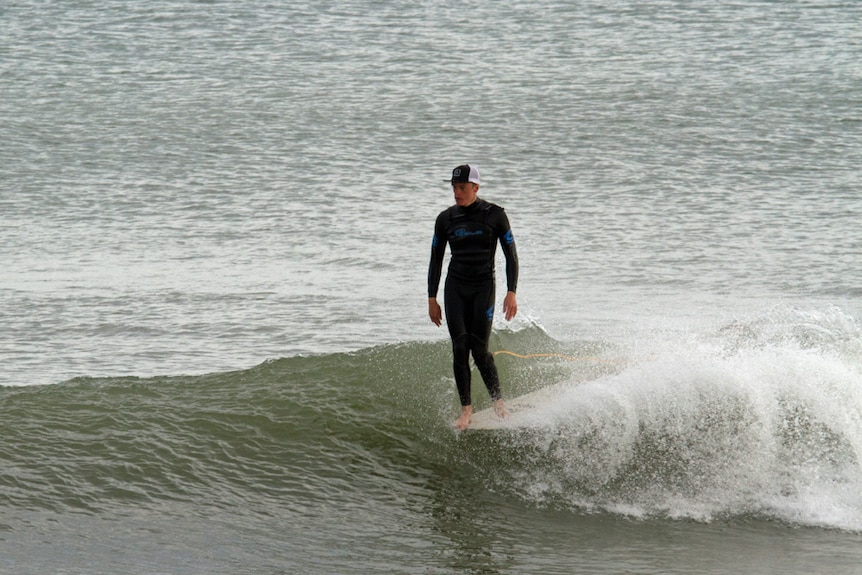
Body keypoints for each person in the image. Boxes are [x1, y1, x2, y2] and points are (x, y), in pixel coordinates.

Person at [427, 164, 519, 430]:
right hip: (455, 286)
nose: (457, 193)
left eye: (462, 188)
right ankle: (466, 410)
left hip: (483, 288)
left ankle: (498, 402)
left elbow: (511, 255)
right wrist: (431, 298)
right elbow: (435, 260)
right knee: (459, 348)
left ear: (475, 188)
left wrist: (511, 291)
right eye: (454, 188)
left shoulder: (495, 215)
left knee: (479, 350)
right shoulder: (445, 219)